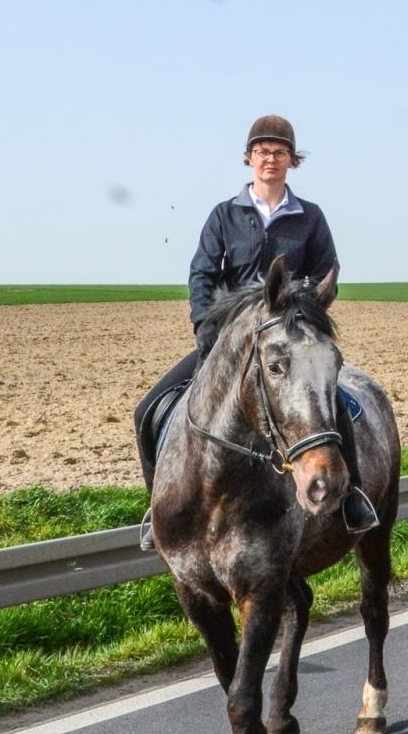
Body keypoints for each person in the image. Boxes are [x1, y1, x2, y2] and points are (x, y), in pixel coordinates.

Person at [132, 115, 376, 549]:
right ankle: (158, 509)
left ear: (291, 161)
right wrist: (205, 327)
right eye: (262, 152)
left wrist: (302, 309)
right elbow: (202, 274)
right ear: (249, 158)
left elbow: (325, 274)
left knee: (334, 407)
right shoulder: (224, 215)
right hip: (230, 344)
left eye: (279, 152)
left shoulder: (311, 218)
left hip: (287, 340)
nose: (270, 159)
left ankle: (352, 495)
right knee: (148, 410)